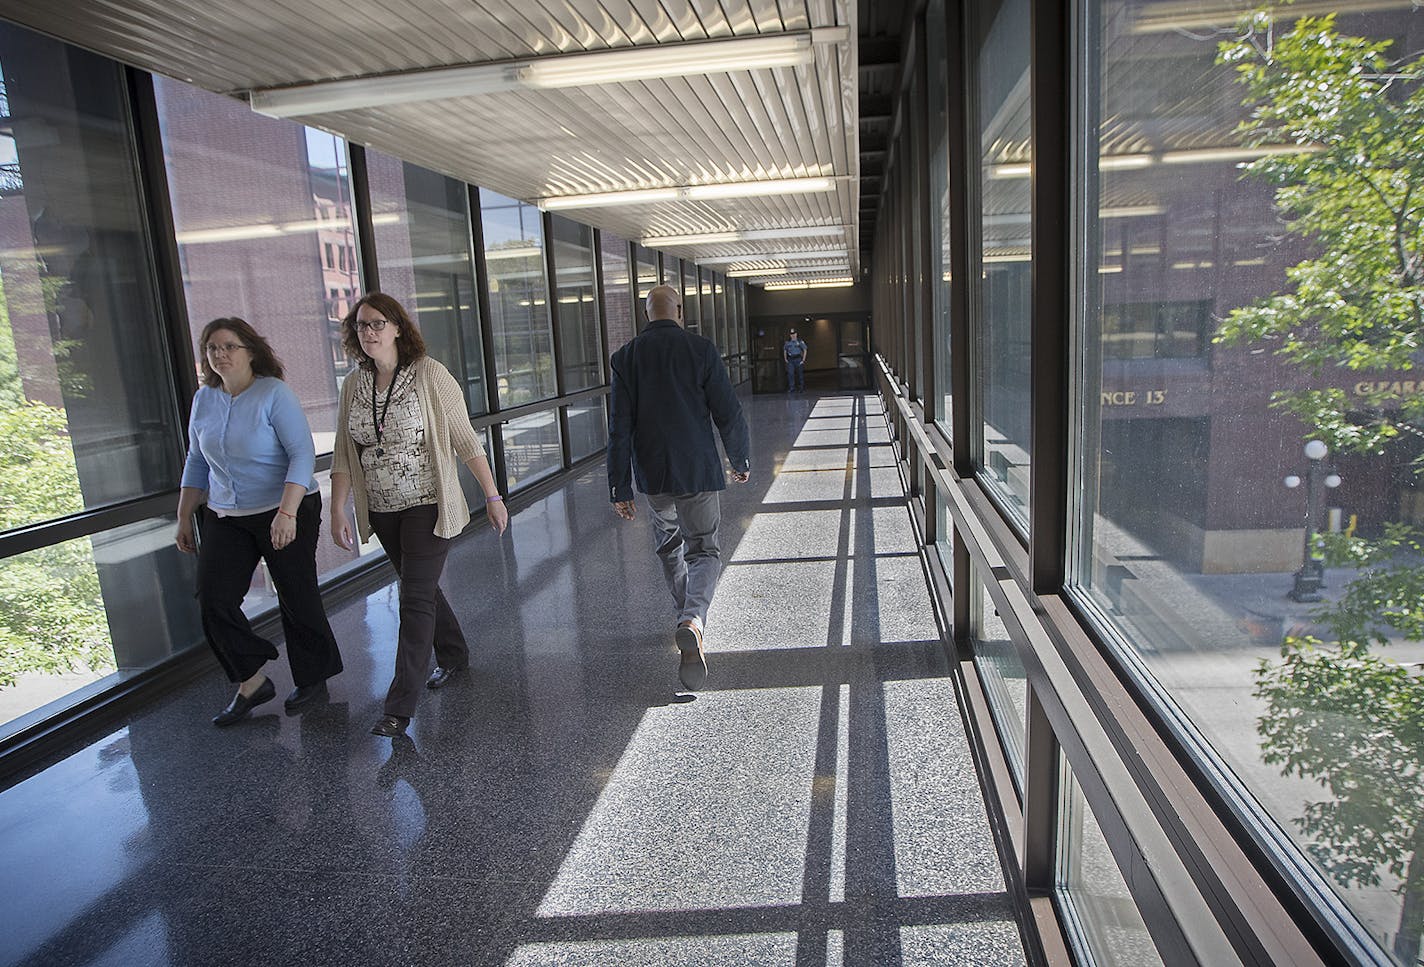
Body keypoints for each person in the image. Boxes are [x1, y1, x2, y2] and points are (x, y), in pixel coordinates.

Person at [329, 292, 508, 737]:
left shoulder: (429, 375)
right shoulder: (354, 384)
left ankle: (399, 707)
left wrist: (492, 495)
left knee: (412, 599)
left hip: (427, 503)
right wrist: (337, 509)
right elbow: (343, 453)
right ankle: (454, 653)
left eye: (376, 324)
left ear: (396, 328)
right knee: (418, 589)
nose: (368, 332)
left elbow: (465, 440)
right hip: (384, 509)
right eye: (361, 325)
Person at [176, 318, 343, 726]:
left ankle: (313, 676)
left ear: (250, 350)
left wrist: (286, 513)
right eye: (213, 348)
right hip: (226, 514)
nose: (220, 354)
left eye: (229, 346)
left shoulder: (273, 393)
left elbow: (302, 455)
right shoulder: (204, 400)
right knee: (213, 599)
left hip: (286, 505)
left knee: (295, 594)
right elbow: (197, 461)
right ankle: (251, 681)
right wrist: (184, 517)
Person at [608, 284, 750, 690]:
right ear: (680, 310)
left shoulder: (625, 357)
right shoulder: (701, 349)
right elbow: (728, 410)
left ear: (645, 313)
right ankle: (694, 619)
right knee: (703, 548)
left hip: (653, 476)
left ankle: (687, 618)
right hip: (697, 471)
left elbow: (619, 429)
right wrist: (738, 458)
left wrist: (619, 487)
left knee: (669, 544)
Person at [783, 328, 808, 392]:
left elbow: (805, 350)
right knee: (790, 374)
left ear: (796, 334)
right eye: (791, 334)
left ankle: (801, 388)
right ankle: (792, 388)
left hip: (798, 359)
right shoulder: (787, 342)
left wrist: (803, 360)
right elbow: (785, 350)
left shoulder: (800, 341)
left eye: (794, 334)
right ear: (790, 335)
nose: (793, 335)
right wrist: (785, 358)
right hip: (790, 360)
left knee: (800, 374)